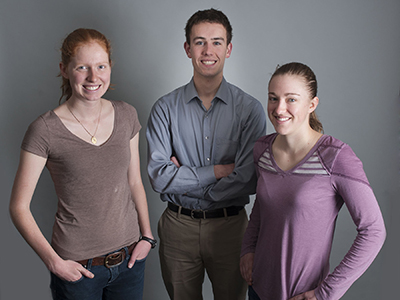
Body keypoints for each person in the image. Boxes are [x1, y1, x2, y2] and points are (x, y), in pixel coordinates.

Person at [9, 28, 156, 300]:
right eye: (82, 67)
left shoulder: (126, 114)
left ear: (110, 67)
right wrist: (54, 262)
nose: (93, 77)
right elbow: (18, 207)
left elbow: (134, 181)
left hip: (130, 262)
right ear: (64, 70)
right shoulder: (44, 130)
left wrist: (147, 237)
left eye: (101, 66)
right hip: (77, 271)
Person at [146, 8, 266, 300]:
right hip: (177, 228)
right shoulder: (165, 109)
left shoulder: (250, 110)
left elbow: (248, 179)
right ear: (188, 49)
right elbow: (160, 178)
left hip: (231, 229)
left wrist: (185, 179)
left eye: (216, 41)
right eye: (199, 42)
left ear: (229, 48)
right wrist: (219, 171)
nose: (208, 50)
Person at [240, 62, 386, 300]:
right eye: (273, 98)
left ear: (312, 104)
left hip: (303, 295)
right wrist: (247, 249)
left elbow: (374, 230)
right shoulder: (262, 150)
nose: (279, 109)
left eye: (291, 99)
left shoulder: (336, 156)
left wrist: (326, 293)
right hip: (258, 288)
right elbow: (262, 205)